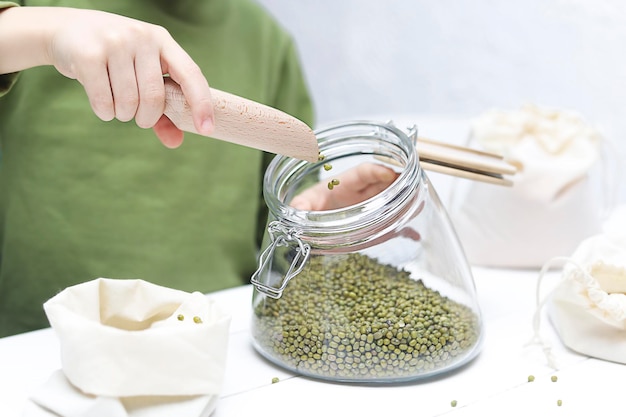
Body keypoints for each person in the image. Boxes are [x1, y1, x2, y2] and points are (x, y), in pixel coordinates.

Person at [0, 0, 315, 337]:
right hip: (35, 340)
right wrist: (47, 34)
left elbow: (291, 221)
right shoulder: (36, 9)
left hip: (213, 336)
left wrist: (330, 216)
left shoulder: (267, 41)